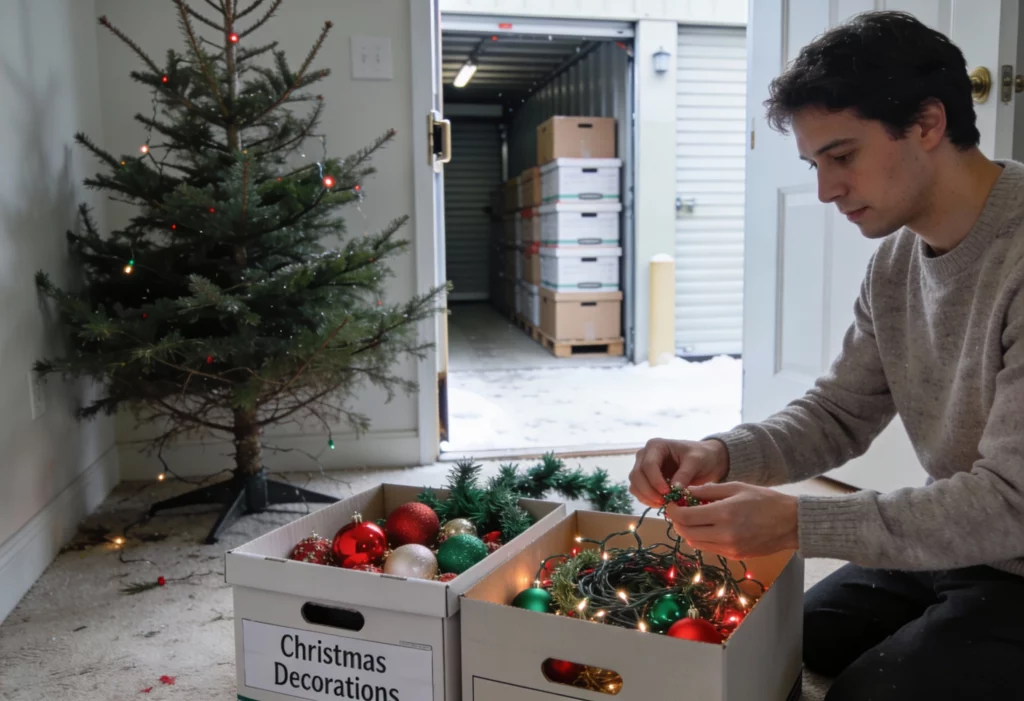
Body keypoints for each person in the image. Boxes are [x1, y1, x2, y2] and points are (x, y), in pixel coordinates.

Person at [628, 10, 1024, 701]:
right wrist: (722, 452)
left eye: (843, 156)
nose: (824, 190)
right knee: (777, 640)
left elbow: (1012, 503)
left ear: (928, 124)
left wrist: (797, 522)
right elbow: (841, 412)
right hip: (960, 545)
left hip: (1010, 543)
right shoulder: (897, 261)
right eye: (815, 165)